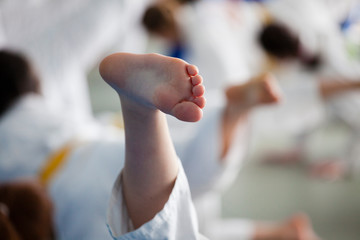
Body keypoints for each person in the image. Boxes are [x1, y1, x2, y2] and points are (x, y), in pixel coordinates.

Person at [141, 2, 321, 240]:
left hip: (225, 113)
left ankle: (285, 232)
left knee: (191, 218)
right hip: (228, 106)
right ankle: (285, 232)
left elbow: (227, 80)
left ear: (161, 31)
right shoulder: (201, 20)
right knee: (197, 224)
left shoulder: (204, 36)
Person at [0, 49, 207, 239]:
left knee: (174, 225)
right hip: (93, 157)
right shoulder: (44, 108)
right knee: (191, 158)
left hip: (79, 173)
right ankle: (147, 113)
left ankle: (142, 112)